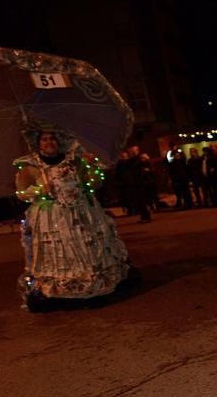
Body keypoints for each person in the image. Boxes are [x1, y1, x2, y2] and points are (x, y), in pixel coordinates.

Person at [14, 124, 133, 311]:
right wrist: (39, 190)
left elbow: (94, 183)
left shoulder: (74, 160)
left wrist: (93, 167)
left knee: (86, 251)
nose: (49, 142)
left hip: (82, 215)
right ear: (38, 143)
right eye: (44, 139)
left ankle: (92, 285)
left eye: (52, 138)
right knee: (59, 255)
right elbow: (21, 192)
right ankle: (60, 291)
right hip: (51, 219)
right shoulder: (30, 166)